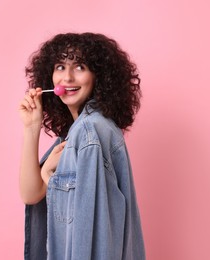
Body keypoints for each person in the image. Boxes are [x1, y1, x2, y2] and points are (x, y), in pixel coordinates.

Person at [18, 32, 145, 260]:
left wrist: (49, 174)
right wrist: (32, 127)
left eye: (79, 67)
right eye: (60, 66)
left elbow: (86, 223)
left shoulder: (89, 132)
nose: (67, 78)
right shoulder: (77, 132)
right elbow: (31, 194)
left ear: (99, 76)